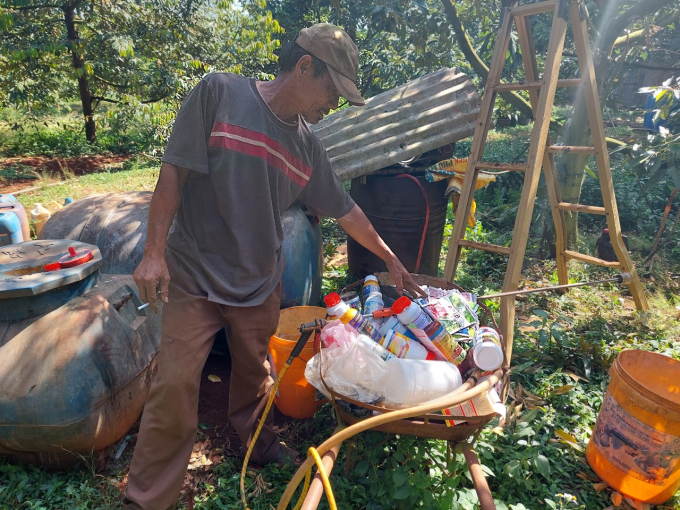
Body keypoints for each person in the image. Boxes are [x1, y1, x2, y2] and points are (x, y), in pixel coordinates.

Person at [123, 23, 424, 510]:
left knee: (255, 374)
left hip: (258, 281)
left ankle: (257, 445)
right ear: (305, 66)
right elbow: (173, 171)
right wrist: (153, 251)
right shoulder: (218, 93)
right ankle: (145, 500)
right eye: (332, 90)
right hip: (195, 273)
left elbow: (347, 210)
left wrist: (390, 257)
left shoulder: (308, 146)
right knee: (175, 385)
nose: (335, 104)